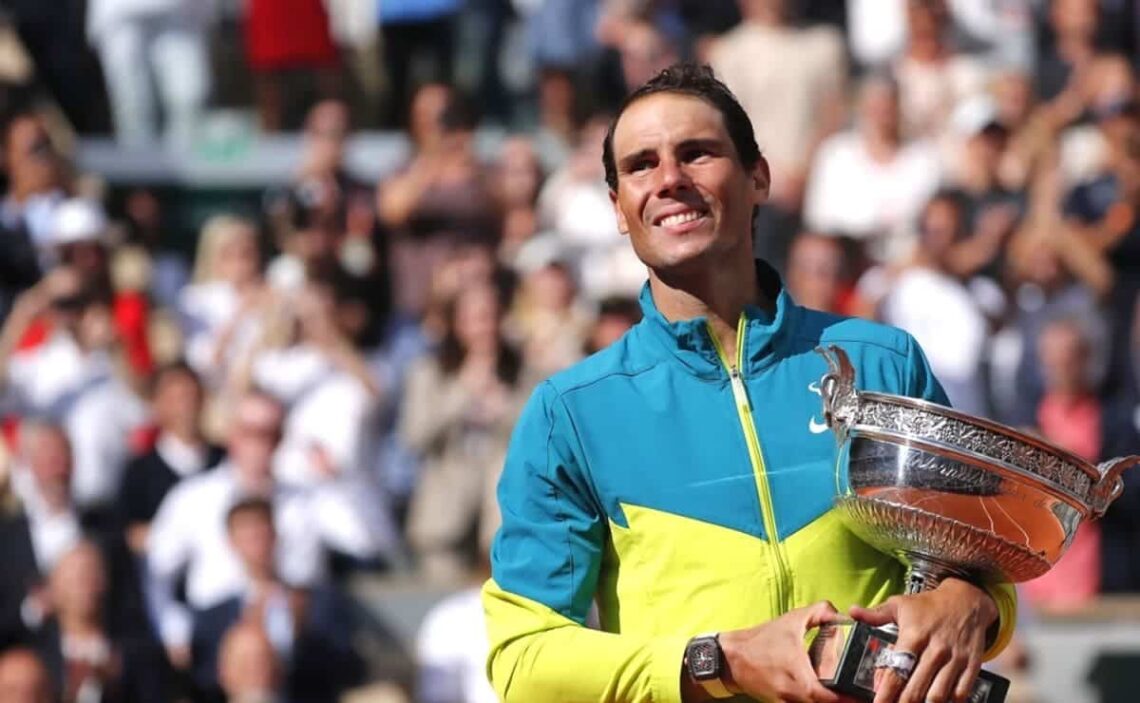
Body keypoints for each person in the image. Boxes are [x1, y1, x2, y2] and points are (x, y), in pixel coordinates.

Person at [483, 63, 1017, 703]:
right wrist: (720, 660)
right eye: (641, 165)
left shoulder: (883, 361)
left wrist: (970, 602)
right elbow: (523, 659)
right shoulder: (568, 414)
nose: (671, 180)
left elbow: (984, 569)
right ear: (618, 209)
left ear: (757, 175)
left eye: (697, 154)